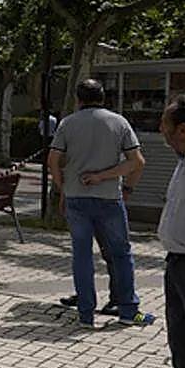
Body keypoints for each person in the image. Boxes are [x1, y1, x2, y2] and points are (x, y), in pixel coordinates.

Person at [48, 78, 150, 327]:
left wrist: (65, 189)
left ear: (78, 99)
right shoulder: (119, 122)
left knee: (82, 256)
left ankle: (85, 314)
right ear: (104, 97)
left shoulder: (67, 124)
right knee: (121, 254)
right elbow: (137, 162)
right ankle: (127, 310)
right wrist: (119, 184)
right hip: (109, 198)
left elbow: (53, 161)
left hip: (76, 199)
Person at [146, 95, 185, 368]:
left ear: (184, 129)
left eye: (165, 125)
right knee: (182, 346)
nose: (160, 131)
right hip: (178, 264)